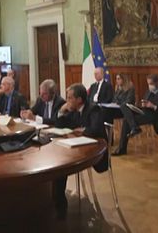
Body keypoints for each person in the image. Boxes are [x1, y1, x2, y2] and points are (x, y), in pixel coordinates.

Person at [53, 84, 107, 219]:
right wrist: (62, 111)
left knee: (62, 166)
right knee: (60, 163)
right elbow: (59, 125)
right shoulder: (74, 110)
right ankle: (57, 203)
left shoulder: (93, 109)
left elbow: (95, 129)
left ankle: (60, 208)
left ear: (79, 100)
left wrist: (82, 130)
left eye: (69, 98)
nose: (67, 101)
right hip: (78, 148)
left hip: (94, 152)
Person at [114, 74, 158, 156]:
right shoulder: (148, 92)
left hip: (155, 116)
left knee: (126, 120)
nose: (149, 86)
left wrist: (154, 106)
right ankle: (134, 127)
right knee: (124, 106)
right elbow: (145, 103)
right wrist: (143, 105)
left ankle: (122, 147)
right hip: (144, 112)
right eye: (148, 84)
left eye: (151, 84)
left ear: (157, 83)